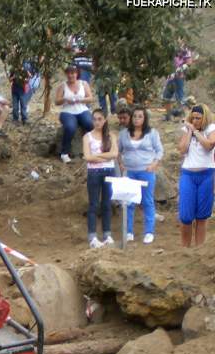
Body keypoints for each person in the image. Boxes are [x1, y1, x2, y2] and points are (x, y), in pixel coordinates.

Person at [118, 106, 163, 244]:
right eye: (135, 116)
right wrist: (120, 164)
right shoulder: (124, 133)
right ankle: (129, 231)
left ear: (145, 119)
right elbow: (118, 151)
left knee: (147, 201)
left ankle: (149, 232)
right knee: (129, 202)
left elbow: (159, 151)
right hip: (129, 171)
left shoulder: (152, 133)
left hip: (146, 171)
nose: (137, 119)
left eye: (140, 116)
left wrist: (154, 165)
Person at [177, 105, 215, 247]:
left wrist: (196, 132)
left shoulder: (211, 128)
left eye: (198, 118)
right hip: (188, 173)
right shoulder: (187, 130)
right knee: (186, 216)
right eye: (193, 118)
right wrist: (189, 131)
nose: (195, 120)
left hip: (207, 174)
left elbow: (209, 145)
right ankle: (185, 248)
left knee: (202, 216)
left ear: (204, 118)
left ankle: (199, 249)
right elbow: (182, 149)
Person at [83, 109, 118, 248]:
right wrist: (106, 155)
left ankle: (107, 234)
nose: (97, 122)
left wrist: (97, 157)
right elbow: (87, 157)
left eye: (99, 119)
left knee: (107, 203)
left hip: (109, 171)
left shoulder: (111, 136)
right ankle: (92, 236)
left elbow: (115, 154)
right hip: (94, 173)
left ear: (105, 120)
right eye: (94, 119)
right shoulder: (87, 137)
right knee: (93, 204)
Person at [55, 65, 94, 163]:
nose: (70, 75)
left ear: (77, 74)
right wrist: (65, 99)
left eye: (72, 73)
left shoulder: (84, 83)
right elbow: (56, 102)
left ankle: (91, 149)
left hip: (82, 109)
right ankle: (64, 153)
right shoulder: (62, 85)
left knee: (90, 124)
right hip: (67, 111)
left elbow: (91, 98)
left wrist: (80, 99)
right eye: (68, 73)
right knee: (70, 127)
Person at [163, 44, 194, 121]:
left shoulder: (185, 50)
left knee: (180, 97)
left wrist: (181, 68)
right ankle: (168, 116)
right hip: (170, 77)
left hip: (179, 77)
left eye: (180, 38)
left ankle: (185, 117)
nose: (178, 39)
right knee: (166, 96)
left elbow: (189, 62)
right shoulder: (171, 47)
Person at [10, 60, 37, 125]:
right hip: (15, 90)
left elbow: (30, 78)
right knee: (15, 106)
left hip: (23, 90)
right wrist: (14, 76)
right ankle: (15, 119)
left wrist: (26, 76)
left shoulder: (26, 71)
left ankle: (24, 119)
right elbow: (10, 79)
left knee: (23, 105)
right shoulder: (13, 70)